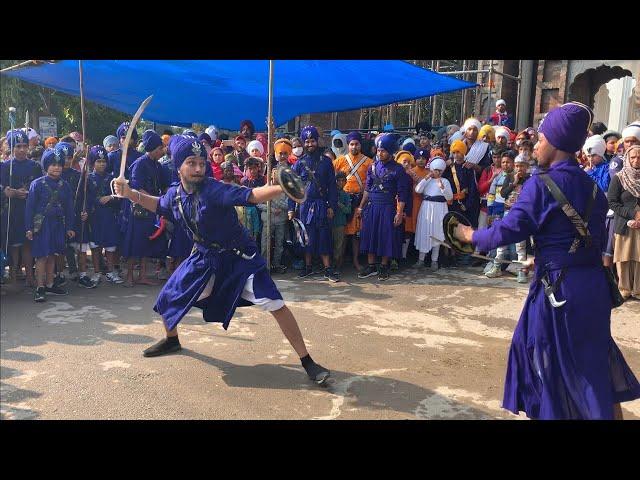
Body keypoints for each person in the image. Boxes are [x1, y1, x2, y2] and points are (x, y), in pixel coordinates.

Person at [453, 101, 640, 419]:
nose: (536, 144)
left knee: (543, 361)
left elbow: (508, 231)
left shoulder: (539, 185)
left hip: (560, 294)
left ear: (555, 142)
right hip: (591, 289)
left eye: (540, 138)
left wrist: (469, 235)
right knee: (593, 367)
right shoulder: (592, 186)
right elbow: (586, 242)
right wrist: (543, 259)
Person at [111, 136, 331, 385]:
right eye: (191, 163)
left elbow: (251, 195)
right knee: (168, 297)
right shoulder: (174, 195)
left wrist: (282, 188)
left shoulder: (214, 189)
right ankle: (172, 340)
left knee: (275, 304)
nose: (198, 169)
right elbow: (158, 204)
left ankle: (308, 362)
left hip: (240, 258)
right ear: (178, 166)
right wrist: (129, 193)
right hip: (205, 257)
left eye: (201, 163)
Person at [287, 126, 339, 282]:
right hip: (304, 206)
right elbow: (292, 188)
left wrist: (331, 206)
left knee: (324, 237)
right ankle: (308, 267)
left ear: (317, 141)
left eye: (312, 141)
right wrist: (291, 208)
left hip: (322, 205)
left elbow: (332, 186)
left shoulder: (327, 162)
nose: (310, 144)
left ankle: (328, 269)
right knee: (306, 237)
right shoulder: (299, 164)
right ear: (303, 143)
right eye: (307, 141)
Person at [356, 133, 409, 281]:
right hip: (372, 206)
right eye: (378, 150)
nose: (380, 153)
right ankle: (371, 265)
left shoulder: (398, 170)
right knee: (369, 235)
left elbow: (402, 194)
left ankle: (384, 266)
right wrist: (361, 207)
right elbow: (367, 188)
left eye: (383, 150)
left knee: (386, 236)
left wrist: (399, 213)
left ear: (390, 151)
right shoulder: (372, 167)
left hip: (387, 207)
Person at [25, 149, 74, 301]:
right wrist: (29, 227)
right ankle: (40, 287)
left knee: (53, 254)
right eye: (52, 164)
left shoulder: (65, 185)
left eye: (59, 164)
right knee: (41, 256)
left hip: (58, 224)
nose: (57, 167)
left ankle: (50, 284)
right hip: (42, 225)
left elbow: (69, 208)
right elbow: (30, 208)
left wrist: (70, 227)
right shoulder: (37, 184)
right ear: (45, 166)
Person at [120, 130, 168, 287]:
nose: (163, 151)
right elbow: (136, 188)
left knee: (146, 242)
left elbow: (162, 187)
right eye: (161, 148)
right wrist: (152, 201)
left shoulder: (158, 165)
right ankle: (129, 276)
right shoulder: (140, 164)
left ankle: (142, 276)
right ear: (154, 149)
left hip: (151, 209)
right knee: (135, 243)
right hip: (138, 208)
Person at [1, 129, 43, 287]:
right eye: (18, 146)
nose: (22, 149)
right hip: (11, 210)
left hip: (28, 209)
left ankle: (30, 275)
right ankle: (12, 274)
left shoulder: (34, 166)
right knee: (13, 244)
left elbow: (40, 187)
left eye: (25, 145)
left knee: (27, 243)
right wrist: (9, 192)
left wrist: (29, 194)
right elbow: (2, 188)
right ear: (11, 147)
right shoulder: (5, 167)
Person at [485, 152, 530, 283]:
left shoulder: (530, 179)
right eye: (517, 166)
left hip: (521, 215)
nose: (519, 169)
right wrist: (514, 183)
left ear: (526, 166)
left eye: (522, 166)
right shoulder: (510, 177)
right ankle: (497, 267)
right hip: (507, 213)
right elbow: (504, 194)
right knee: (502, 240)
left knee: (520, 245)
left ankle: (521, 271)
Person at [332, 132, 373, 272]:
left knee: (356, 234)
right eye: (351, 144)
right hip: (343, 200)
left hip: (359, 201)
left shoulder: (368, 162)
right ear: (348, 145)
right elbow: (329, 174)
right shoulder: (340, 161)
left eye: (356, 144)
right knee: (341, 233)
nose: (354, 146)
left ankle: (356, 261)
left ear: (360, 145)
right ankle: (338, 262)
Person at [87, 146, 124, 284]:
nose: (101, 164)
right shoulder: (87, 179)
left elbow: (120, 196)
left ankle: (111, 271)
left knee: (110, 246)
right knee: (95, 247)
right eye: (98, 161)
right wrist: (96, 201)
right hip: (94, 217)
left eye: (103, 161)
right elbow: (84, 199)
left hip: (109, 216)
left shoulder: (112, 179)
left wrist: (111, 197)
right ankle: (96, 272)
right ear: (92, 163)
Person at [608, 145, 640, 300]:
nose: (636, 160)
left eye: (639, 157)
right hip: (625, 224)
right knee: (624, 258)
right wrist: (633, 214)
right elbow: (612, 202)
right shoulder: (619, 178)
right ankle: (624, 289)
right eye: (633, 157)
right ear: (627, 158)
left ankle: (638, 290)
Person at [413, 157, 452, 271]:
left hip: (440, 208)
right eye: (435, 170)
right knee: (425, 232)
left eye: (439, 170)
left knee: (437, 233)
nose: (437, 172)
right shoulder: (427, 180)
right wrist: (426, 178)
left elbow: (449, 197)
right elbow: (418, 190)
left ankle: (434, 261)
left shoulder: (445, 181)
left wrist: (443, 188)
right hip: (426, 207)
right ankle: (421, 260)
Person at [257, 169, 289, 274]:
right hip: (268, 220)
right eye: (274, 174)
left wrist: (275, 199)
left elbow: (288, 205)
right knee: (265, 244)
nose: (276, 176)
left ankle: (276, 264)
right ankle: (265, 266)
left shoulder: (285, 189)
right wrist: (270, 209)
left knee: (279, 244)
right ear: (271, 175)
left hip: (281, 220)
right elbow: (258, 203)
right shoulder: (265, 188)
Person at [332, 171, 351, 273]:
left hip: (340, 223)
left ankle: (336, 266)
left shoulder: (345, 195)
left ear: (345, 182)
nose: (340, 183)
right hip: (330, 222)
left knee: (338, 247)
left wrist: (339, 204)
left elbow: (348, 210)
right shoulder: (331, 193)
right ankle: (328, 266)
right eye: (338, 181)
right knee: (329, 245)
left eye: (342, 181)